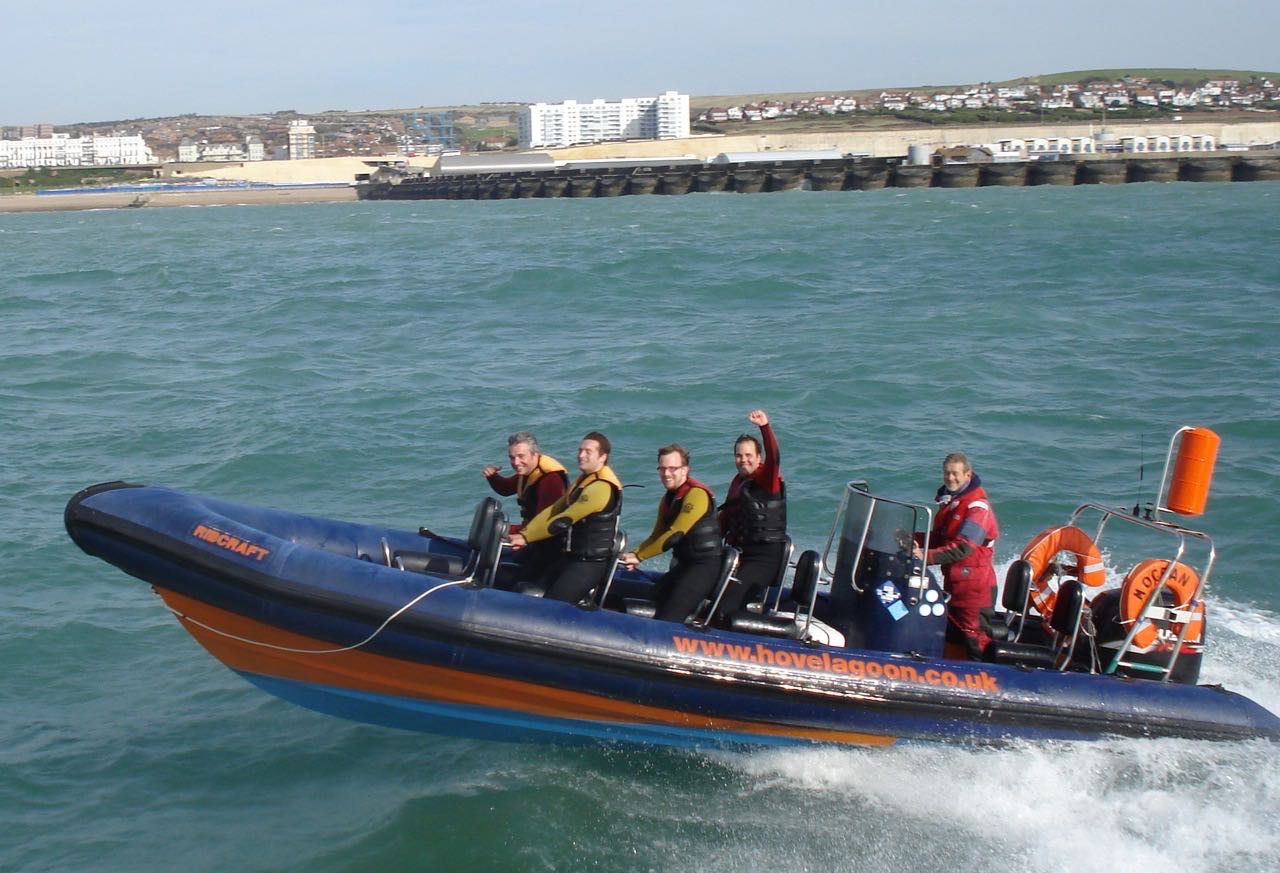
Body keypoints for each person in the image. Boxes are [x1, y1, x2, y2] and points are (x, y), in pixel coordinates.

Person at [508, 432, 623, 604]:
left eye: (587, 452)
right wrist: (526, 533)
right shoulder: (584, 481)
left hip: (589, 564)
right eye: (580, 450)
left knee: (552, 603)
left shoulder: (601, 487)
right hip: (571, 558)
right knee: (533, 587)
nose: (581, 455)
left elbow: (563, 519)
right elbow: (553, 510)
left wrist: (526, 537)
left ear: (602, 457)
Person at [622, 444, 723, 623]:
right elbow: (656, 535)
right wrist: (634, 553)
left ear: (685, 470)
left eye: (672, 468)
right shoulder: (668, 499)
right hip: (683, 567)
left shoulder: (697, 494)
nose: (666, 474)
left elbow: (673, 535)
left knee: (669, 616)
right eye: (662, 469)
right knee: (653, 597)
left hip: (703, 567)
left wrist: (640, 557)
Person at [914, 452, 999, 659]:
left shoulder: (977, 507)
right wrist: (910, 537)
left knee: (974, 638)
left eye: (955, 474)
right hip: (955, 585)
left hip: (975, 589)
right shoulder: (951, 503)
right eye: (946, 474)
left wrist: (924, 555)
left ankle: (983, 678)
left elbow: (962, 548)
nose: (950, 478)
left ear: (967, 475)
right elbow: (941, 538)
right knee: (952, 636)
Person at [715, 409, 787, 617]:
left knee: (725, 607)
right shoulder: (738, 482)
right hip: (738, 554)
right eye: (738, 455)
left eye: (748, 455)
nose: (743, 460)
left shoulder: (767, 479)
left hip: (764, 559)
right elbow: (724, 520)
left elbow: (774, 457)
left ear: (758, 457)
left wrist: (764, 427)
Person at [482, 431, 569, 528]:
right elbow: (506, 488)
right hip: (531, 530)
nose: (516, 462)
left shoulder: (551, 480)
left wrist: (508, 531)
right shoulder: (529, 471)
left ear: (535, 454)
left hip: (547, 536)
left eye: (521, 456)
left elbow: (544, 523)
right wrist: (492, 476)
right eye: (512, 458)